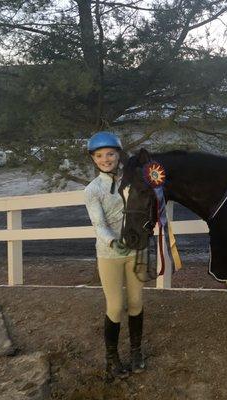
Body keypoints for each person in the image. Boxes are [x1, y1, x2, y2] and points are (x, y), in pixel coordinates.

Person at [84, 131, 146, 382]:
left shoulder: (131, 181)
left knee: (136, 303)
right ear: (94, 159)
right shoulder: (92, 190)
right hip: (110, 254)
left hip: (135, 251)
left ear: (118, 154)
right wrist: (113, 241)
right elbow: (98, 224)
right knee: (115, 306)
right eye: (100, 155)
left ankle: (136, 352)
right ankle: (111, 358)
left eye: (110, 153)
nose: (106, 159)